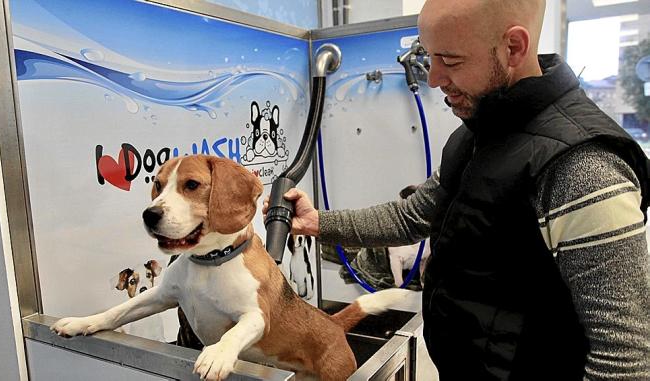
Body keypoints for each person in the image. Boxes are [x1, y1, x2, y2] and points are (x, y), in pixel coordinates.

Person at [264, 0, 650, 379]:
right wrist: (318, 222)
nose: (433, 77)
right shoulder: (479, 133)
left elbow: (624, 357)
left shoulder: (582, 168)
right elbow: (412, 215)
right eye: (429, 57)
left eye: (450, 61)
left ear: (513, 47)